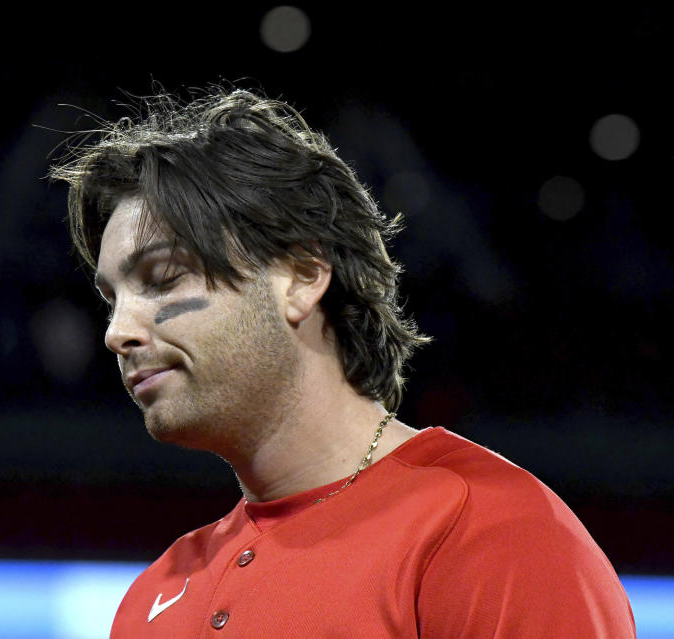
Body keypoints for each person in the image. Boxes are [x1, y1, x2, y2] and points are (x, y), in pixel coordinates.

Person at [50, 88, 635, 637]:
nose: (116, 333)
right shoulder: (155, 594)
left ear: (302, 277)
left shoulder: (492, 533)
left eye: (162, 278)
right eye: (110, 301)